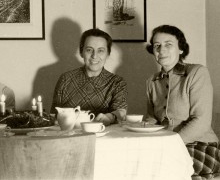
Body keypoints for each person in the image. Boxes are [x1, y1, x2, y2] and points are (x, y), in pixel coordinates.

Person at [145, 25, 219, 179]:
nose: (161, 50)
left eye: (168, 44)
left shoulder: (197, 73)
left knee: (161, 169)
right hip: (166, 147)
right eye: (157, 46)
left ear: (181, 49)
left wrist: (169, 144)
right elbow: (152, 117)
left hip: (201, 146)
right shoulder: (151, 81)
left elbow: (201, 121)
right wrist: (143, 130)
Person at [51, 28, 127, 126]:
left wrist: (109, 117)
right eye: (89, 50)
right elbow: (54, 116)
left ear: (108, 54)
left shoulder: (117, 82)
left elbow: (120, 113)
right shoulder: (65, 79)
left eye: (101, 50)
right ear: (81, 52)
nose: (94, 56)